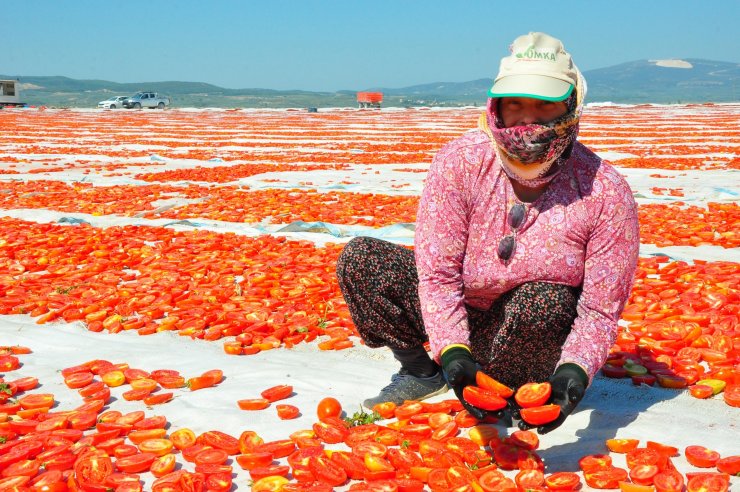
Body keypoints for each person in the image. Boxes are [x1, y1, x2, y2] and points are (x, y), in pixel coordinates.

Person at [336, 32, 639, 433]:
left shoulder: (604, 190)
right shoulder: (461, 162)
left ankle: (512, 384)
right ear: (496, 107)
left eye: (545, 105)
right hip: (458, 309)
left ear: (570, 107)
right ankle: (423, 373)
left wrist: (575, 371)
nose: (528, 118)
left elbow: (600, 309)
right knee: (362, 259)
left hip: (529, 328)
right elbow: (438, 274)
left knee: (543, 299)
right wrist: (454, 352)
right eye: (515, 103)